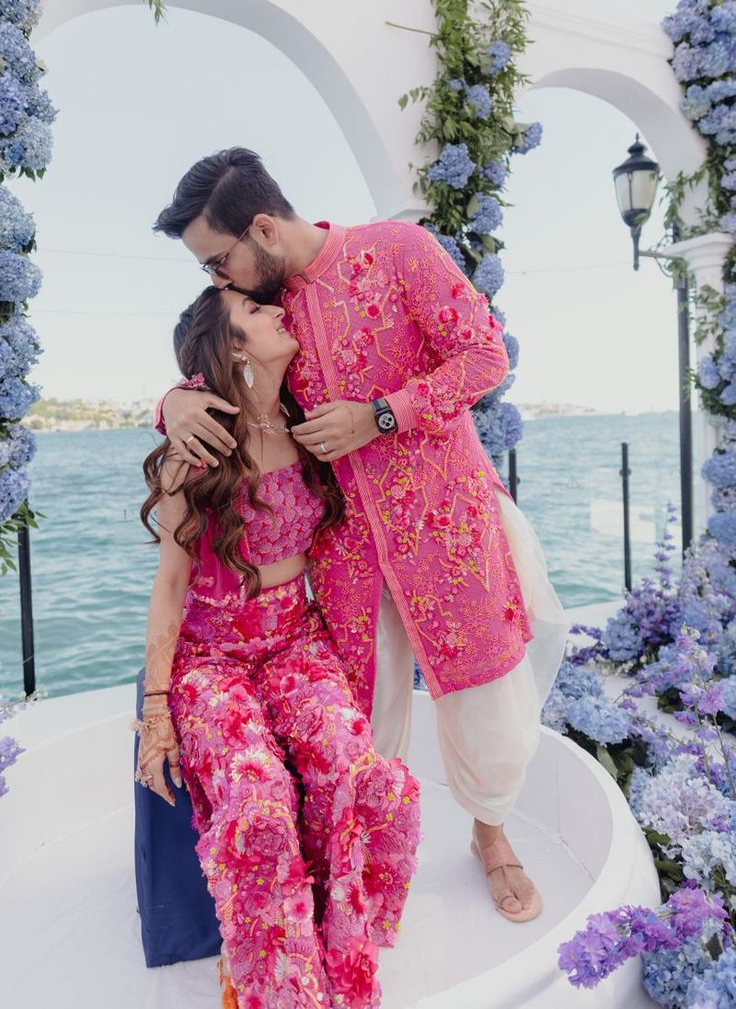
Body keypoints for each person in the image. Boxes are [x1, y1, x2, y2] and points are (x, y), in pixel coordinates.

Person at [151, 147, 572, 923]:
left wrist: (380, 415)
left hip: (446, 523)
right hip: (345, 552)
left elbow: (485, 356)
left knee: (489, 706)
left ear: (264, 230)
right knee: (363, 717)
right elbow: (220, 368)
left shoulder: (396, 251)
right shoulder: (266, 317)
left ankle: (491, 833)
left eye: (219, 261)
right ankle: (365, 861)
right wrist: (174, 399)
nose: (217, 280)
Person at [133, 283, 421, 1009]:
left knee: (365, 775)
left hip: (298, 641)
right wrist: (159, 712)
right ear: (232, 348)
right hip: (211, 659)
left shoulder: (310, 422)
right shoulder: (195, 453)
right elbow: (169, 587)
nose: (274, 312)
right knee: (257, 801)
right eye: (255, 313)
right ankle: (277, 989)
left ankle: (345, 953)